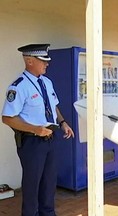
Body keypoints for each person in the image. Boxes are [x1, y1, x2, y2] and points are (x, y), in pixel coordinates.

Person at [1, 44, 74, 216]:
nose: (47, 64)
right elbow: (7, 118)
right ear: (29, 61)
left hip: (50, 138)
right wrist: (35, 129)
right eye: (43, 61)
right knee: (32, 184)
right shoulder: (18, 87)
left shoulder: (47, 82)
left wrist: (63, 122)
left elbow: (53, 106)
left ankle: (48, 213)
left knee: (49, 182)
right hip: (32, 142)